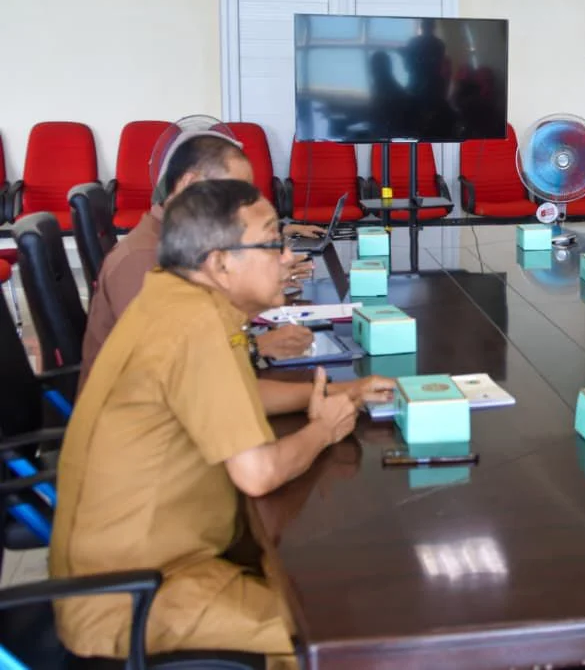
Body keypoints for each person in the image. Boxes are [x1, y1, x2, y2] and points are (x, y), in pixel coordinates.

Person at [50, 179, 369, 665]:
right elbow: (257, 474)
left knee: (323, 576)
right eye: (271, 242)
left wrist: (341, 393)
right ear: (220, 263)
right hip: (134, 596)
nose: (287, 256)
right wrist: (324, 428)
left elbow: (237, 396)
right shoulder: (194, 324)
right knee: (324, 631)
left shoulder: (177, 298)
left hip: (152, 568)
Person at [80, 133, 329, 387]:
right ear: (190, 184)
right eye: (231, 193)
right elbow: (183, 376)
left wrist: (261, 282)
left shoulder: (194, 244)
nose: (241, 208)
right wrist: (256, 346)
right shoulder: (143, 259)